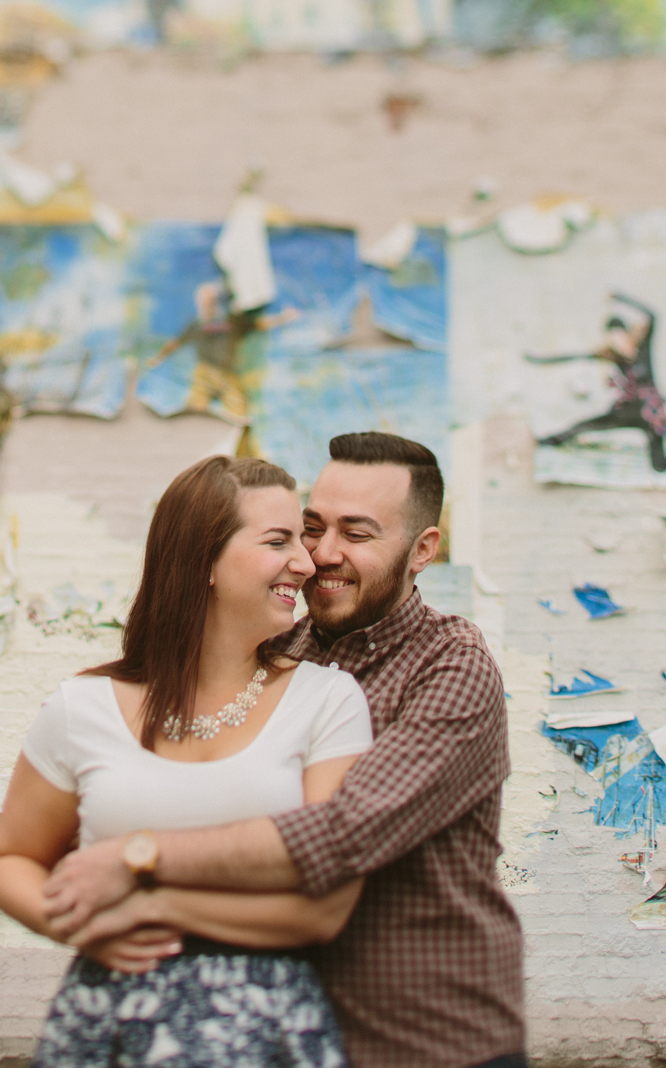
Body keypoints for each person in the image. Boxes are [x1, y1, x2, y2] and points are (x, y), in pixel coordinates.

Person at [37, 433, 526, 1068]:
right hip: (281, 1038)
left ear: (422, 550)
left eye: (357, 534)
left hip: (425, 1040)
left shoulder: (451, 665)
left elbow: (343, 832)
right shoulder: (277, 651)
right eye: (311, 527)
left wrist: (140, 858)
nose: (322, 554)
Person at [0, 455, 370, 1067]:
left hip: (268, 1029)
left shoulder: (327, 701)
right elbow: (12, 859)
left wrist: (150, 901)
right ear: (203, 563)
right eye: (279, 540)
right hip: (109, 1024)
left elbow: (325, 907)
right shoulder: (81, 707)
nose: (306, 561)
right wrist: (78, 926)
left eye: (301, 539)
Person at [531, 291, 666, 473]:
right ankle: (549, 441)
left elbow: (653, 315)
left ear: (626, 333)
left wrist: (621, 298)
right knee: (585, 425)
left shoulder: (642, 348)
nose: (616, 341)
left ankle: (664, 471)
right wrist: (540, 360)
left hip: (649, 411)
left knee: (659, 459)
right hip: (626, 410)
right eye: (612, 338)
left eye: (618, 335)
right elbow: (574, 356)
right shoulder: (612, 355)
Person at [143, 281, 297, 424]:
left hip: (227, 374)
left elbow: (259, 324)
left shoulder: (233, 321)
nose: (208, 304)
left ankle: (243, 449)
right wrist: (157, 358)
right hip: (204, 374)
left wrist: (282, 318)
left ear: (218, 301)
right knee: (193, 413)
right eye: (204, 300)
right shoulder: (196, 325)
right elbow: (176, 343)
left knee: (240, 414)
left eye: (211, 299)